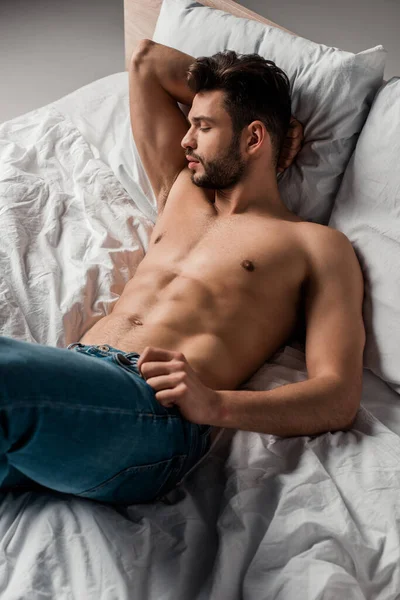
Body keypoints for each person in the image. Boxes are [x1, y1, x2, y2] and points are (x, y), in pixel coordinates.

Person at [0, 40, 365, 506]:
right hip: (76, 385)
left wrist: (215, 405)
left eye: (203, 126)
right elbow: (147, 61)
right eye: (189, 123)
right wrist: (235, 91)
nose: (185, 140)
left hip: (154, 414)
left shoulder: (315, 245)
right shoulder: (181, 192)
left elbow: (337, 396)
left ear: (253, 139)